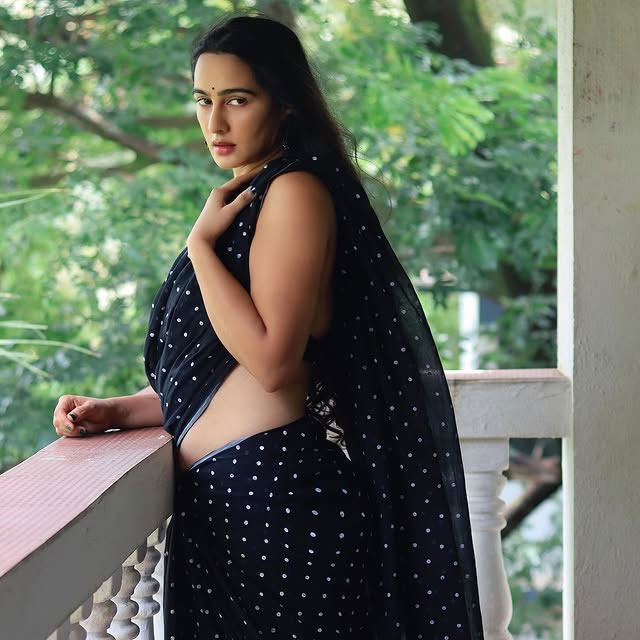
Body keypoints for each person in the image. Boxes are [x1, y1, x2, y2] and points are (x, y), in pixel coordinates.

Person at [52, 12, 485, 640]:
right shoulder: (250, 198)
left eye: (238, 100)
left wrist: (200, 249)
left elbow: (274, 362)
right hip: (231, 504)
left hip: (275, 500)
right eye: (203, 100)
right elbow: (221, 377)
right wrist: (118, 410)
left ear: (282, 103)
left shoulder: (295, 191)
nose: (215, 123)